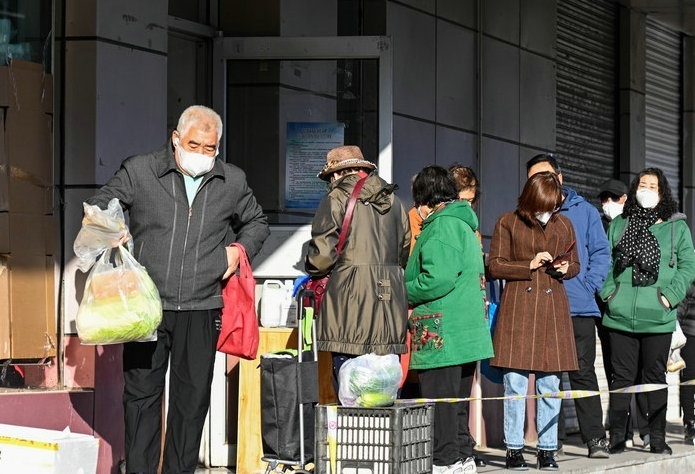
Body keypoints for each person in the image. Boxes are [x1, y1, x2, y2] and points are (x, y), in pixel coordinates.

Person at [84, 105, 270, 474]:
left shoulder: (231, 180)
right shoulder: (141, 170)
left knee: (191, 401)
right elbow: (100, 205)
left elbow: (257, 221)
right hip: (146, 309)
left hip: (202, 307)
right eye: (193, 145)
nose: (201, 153)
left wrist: (238, 251)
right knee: (141, 398)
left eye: (209, 148)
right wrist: (111, 227)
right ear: (176, 139)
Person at [405, 165, 494, 474]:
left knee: (440, 404)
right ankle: (462, 458)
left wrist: (403, 290)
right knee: (455, 404)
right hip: (465, 331)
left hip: (442, 331)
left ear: (426, 199)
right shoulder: (464, 224)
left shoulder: (441, 226)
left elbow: (436, 279)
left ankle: (445, 462)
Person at [600, 167, 695, 455]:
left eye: (653, 186)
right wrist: (609, 295)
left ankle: (657, 438)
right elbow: (604, 262)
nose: (647, 190)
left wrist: (669, 297)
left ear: (662, 192)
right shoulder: (620, 223)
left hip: (658, 317)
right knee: (621, 379)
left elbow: (687, 267)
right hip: (619, 317)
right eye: (642, 184)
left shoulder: (677, 227)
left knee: (655, 380)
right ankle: (618, 437)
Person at [488, 170, 579, 471]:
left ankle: (547, 450)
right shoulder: (507, 222)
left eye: (553, 205)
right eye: (543, 205)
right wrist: (528, 264)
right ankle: (514, 449)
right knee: (514, 385)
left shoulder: (564, 224)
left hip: (553, 310)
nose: (548, 211)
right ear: (530, 199)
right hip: (519, 310)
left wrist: (565, 268)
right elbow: (495, 266)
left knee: (550, 385)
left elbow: (576, 263)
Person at [304, 145, 411, 391]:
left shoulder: (337, 198)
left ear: (336, 174)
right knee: (382, 389)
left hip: (348, 300)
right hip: (390, 299)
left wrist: (311, 267)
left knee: (350, 388)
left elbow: (321, 257)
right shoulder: (394, 201)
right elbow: (404, 250)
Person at [526, 154, 612, 459]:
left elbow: (601, 253)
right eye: (533, 179)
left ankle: (595, 439)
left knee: (583, 373)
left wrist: (588, 287)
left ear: (560, 178)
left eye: (546, 175)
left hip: (578, 307)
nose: (540, 183)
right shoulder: (526, 213)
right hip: (541, 305)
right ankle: (552, 440)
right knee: (547, 376)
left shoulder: (585, 211)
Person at [597, 177, 650, 449]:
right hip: (610, 313)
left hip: (639, 309)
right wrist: (608, 295)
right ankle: (623, 431)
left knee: (642, 370)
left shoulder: (639, 222)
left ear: (626, 199)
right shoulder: (599, 226)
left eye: (614, 198)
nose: (608, 203)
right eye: (604, 198)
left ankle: (647, 429)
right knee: (616, 371)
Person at [678, 280, 695, 445]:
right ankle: (690, 424)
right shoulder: (691, 276)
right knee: (688, 379)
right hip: (690, 332)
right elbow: (682, 302)